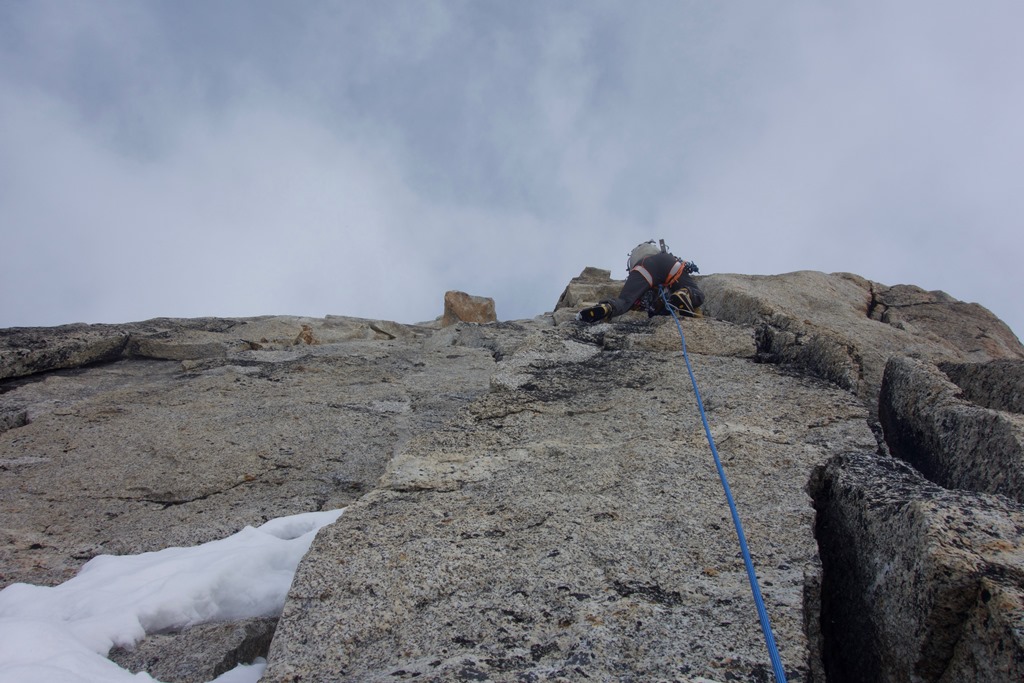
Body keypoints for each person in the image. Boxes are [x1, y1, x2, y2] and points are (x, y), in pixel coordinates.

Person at [577, 240, 704, 323]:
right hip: (667, 262)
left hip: (643, 268)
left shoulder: (637, 264)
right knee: (695, 292)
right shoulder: (659, 253)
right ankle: (684, 293)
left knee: (625, 301)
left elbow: (641, 300)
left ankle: (607, 307)